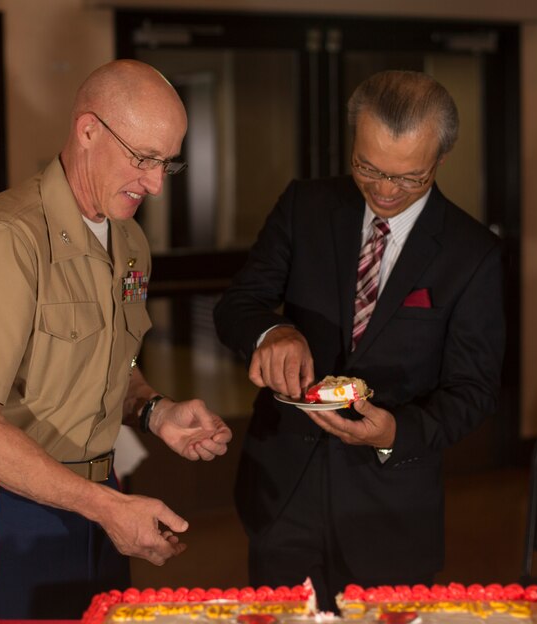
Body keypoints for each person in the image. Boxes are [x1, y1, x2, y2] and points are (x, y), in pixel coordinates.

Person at [0, 59, 232, 623]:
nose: (155, 184)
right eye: (143, 158)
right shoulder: (6, 238)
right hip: (9, 516)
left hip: (97, 506)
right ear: (88, 130)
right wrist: (106, 506)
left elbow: (106, 367)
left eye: (168, 163)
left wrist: (153, 410)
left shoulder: (131, 240)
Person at [213, 70, 505, 611]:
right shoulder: (306, 206)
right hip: (283, 491)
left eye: (409, 177)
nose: (385, 190)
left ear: (440, 159)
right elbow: (236, 306)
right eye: (368, 168)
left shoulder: (473, 255)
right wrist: (271, 331)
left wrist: (397, 430)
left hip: (390, 509)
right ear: (353, 141)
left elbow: (474, 390)